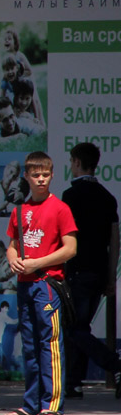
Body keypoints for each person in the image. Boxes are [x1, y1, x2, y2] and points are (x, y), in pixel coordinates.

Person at [0, 151, 78, 415]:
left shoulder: (60, 209)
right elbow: (11, 245)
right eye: (36, 175)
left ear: (52, 175)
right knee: (31, 347)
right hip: (24, 285)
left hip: (47, 284)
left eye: (45, 174)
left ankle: (52, 405)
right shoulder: (19, 210)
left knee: (50, 345)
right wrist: (13, 260)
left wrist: (38, 263)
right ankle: (31, 404)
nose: (41, 179)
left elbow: (70, 249)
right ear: (27, 177)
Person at [61, 142, 121, 399]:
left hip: (77, 270)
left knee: (74, 329)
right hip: (99, 272)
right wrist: (111, 277)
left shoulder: (70, 196)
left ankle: (115, 364)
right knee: (80, 327)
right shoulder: (108, 197)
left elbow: (65, 236)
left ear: (76, 162)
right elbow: (115, 241)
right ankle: (74, 383)